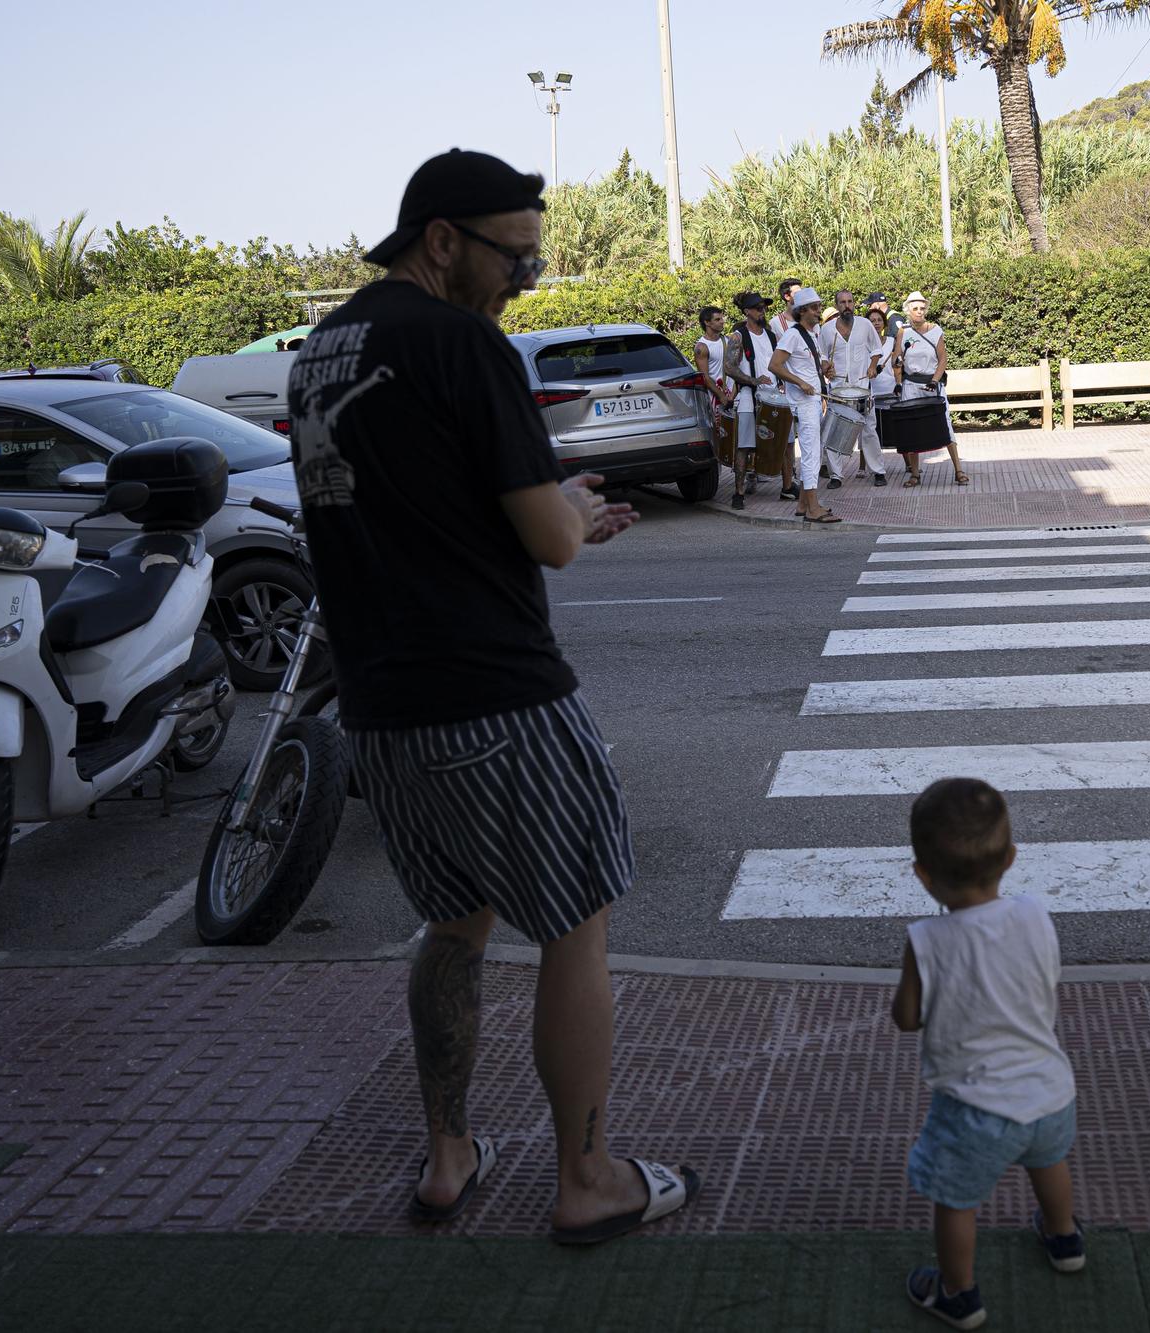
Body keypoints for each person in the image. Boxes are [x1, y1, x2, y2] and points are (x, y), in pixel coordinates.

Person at [290, 148, 696, 1244]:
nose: (527, 279)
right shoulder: (458, 340)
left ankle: (446, 1153)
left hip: (381, 705)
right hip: (495, 692)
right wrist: (570, 508)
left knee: (455, 926)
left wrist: (542, 508)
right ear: (441, 240)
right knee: (576, 925)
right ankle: (587, 1178)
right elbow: (551, 542)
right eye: (515, 258)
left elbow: (408, 505)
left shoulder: (322, 350)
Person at [893, 779, 1083, 1331]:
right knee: (1049, 1162)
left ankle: (958, 1293)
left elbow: (907, 1018)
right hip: (1049, 1090)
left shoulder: (927, 939)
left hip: (976, 1106)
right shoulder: (1034, 915)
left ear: (922, 874)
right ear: (1012, 857)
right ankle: (1064, 1238)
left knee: (955, 1200)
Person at [770, 286, 841, 523]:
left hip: (812, 399)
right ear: (801, 311)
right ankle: (813, 509)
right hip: (803, 401)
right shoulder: (792, 334)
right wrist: (801, 383)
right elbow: (775, 365)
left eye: (819, 307)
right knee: (811, 454)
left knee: (814, 450)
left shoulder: (811, 334)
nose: (818, 311)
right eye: (813, 308)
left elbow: (807, 365)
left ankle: (803, 505)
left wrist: (824, 369)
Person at [893, 292, 968, 487]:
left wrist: (935, 381)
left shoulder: (935, 330)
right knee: (913, 428)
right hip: (911, 385)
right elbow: (896, 359)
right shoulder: (903, 332)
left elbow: (943, 359)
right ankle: (915, 474)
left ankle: (958, 470)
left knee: (945, 424)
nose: (919, 312)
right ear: (908, 310)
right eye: (915, 308)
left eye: (922, 308)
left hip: (932, 385)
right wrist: (898, 371)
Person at [817, 289, 890, 486]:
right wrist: (826, 368)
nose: (847, 305)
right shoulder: (827, 329)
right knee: (834, 430)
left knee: (868, 430)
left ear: (854, 304)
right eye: (842, 302)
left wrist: (873, 366)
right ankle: (836, 475)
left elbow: (876, 350)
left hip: (862, 385)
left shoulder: (865, 325)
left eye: (850, 301)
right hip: (838, 388)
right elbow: (822, 356)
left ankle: (878, 471)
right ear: (837, 305)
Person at [722, 291, 779, 508]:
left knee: (783, 441)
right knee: (743, 446)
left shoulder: (771, 335)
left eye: (764, 307)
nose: (762, 310)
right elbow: (729, 367)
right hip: (748, 397)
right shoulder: (738, 336)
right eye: (757, 307)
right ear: (746, 311)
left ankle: (786, 486)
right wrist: (753, 380)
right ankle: (738, 492)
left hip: (772, 396)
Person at [693, 304, 734, 484]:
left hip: (732, 394)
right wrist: (721, 395)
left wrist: (734, 392)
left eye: (722, 318)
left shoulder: (729, 341)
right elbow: (705, 377)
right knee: (717, 436)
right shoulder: (702, 347)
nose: (722, 322)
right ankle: (715, 475)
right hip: (715, 397)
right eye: (717, 319)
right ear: (707, 323)